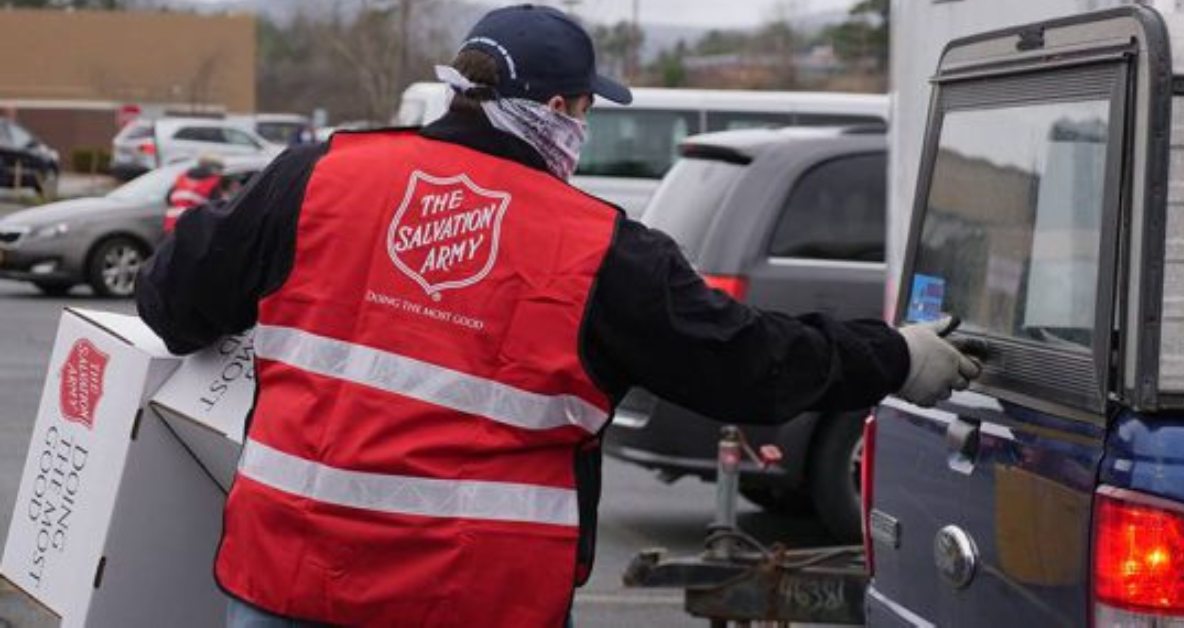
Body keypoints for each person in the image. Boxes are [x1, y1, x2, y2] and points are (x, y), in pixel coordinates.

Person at [135, 5, 980, 628]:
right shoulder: (599, 249)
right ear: (563, 111)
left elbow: (172, 304)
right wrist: (894, 357)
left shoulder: (316, 176)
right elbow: (750, 365)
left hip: (289, 582)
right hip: (471, 601)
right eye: (583, 108)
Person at [164, 154, 225, 233]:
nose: (221, 172)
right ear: (213, 168)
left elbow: (168, 198)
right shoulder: (213, 181)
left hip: (172, 222)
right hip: (194, 225)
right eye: (220, 169)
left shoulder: (181, 177)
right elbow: (217, 205)